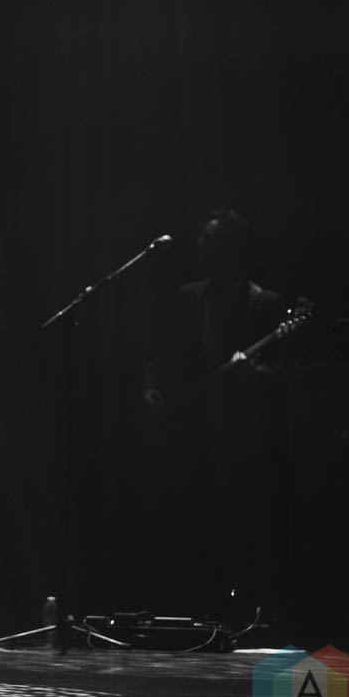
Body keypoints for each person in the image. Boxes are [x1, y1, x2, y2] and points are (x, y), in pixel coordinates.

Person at [141, 209, 288, 626]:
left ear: (231, 246)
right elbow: (161, 350)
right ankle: (191, 606)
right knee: (190, 517)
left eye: (210, 238)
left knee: (239, 521)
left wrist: (253, 373)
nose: (201, 245)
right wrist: (151, 385)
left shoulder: (265, 302)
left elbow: (283, 372)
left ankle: (244, 609)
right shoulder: (188, 296)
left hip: (239, 434)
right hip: (191, 427)